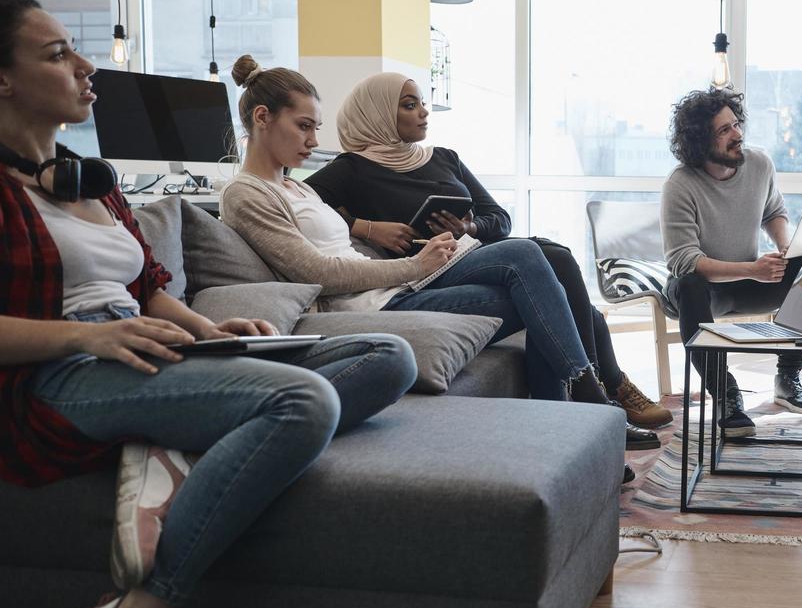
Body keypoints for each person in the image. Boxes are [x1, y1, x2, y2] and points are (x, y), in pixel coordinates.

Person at [0, 0, 419, 608]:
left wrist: (210, 332)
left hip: (147, 356)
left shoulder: (89, 178)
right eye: (54, 54)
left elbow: (145, 289)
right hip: (62, 376)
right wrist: (88, 334)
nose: (84, 66)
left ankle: (184, 452)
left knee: (387, 357)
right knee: (301, 399)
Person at [216, 56, 637, 479]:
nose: (313, 139)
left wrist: (427, 253)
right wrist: (412, 265)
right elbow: (318, 273)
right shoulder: (247, 195)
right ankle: (588, 400)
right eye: (304, 126)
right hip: (368, 310)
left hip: (393, 292)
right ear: (263, 118)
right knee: (527, 258)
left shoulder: (293, 186)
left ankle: (563, 433)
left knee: (537, 287)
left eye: (315, 128)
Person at [303, 71, 671, 446]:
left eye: (422, 103)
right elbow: (300, 199)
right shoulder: (352, 169)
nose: (423, 113)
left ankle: (568, 425)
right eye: (409, 105)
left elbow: (499, 218)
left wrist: (470, 228)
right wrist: (367, 228)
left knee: (556, 267)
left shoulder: (444, 158)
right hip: (424, 272)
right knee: (530, 254)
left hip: (470, 255)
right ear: (376, 114)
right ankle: (596, 395)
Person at [661, 87, 802, 439]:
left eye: (736, 124)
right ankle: (726, 393)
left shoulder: (759, 163)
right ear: (702, 142)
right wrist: (752, 270)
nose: (738, 135)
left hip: (748, 282)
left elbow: (774, 211)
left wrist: (786, 247)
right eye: (724, 130)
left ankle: (788, 378)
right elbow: (684, 259)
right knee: (689, 286)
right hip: (702, 288)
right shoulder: (680, 185)